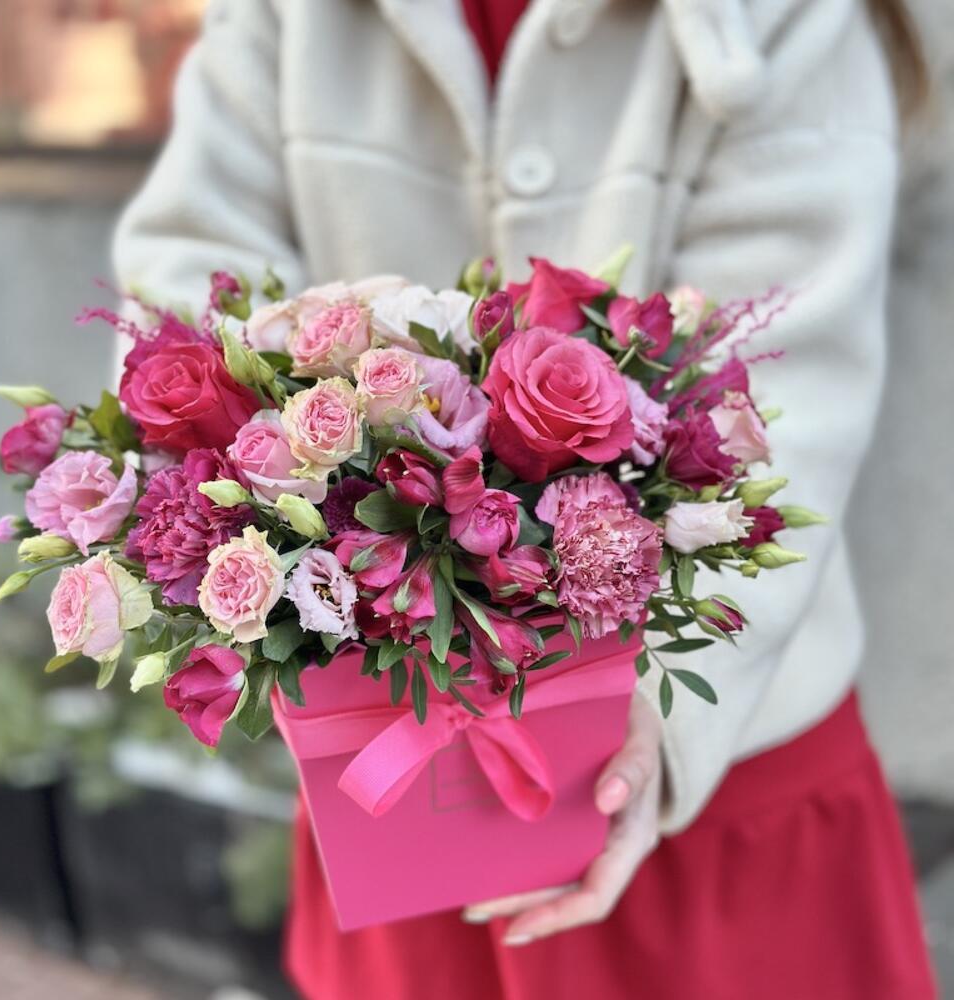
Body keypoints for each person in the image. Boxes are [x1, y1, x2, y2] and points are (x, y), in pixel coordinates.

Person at [112, 1, 936, 997]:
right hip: (393, 779)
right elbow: (186, 280)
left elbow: (785, 389)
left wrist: (647, 730)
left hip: (700, 793)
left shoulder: (786, 16)